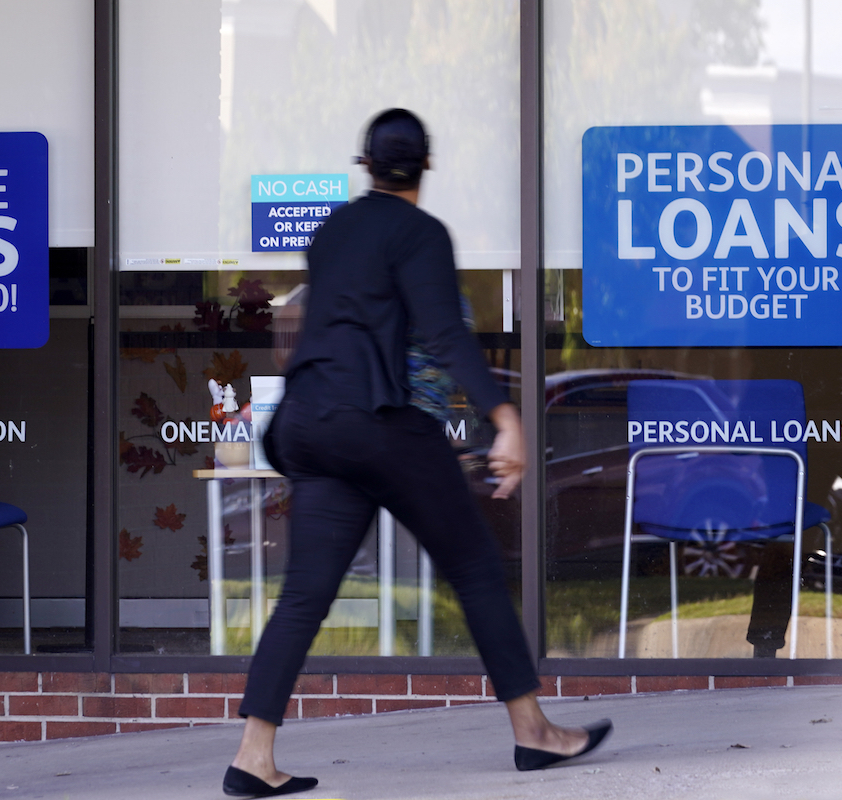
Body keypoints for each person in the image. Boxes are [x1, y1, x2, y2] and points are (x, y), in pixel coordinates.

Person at [222, 109, 611, 798]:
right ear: (424, 167)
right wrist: (505, 418)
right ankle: (534, 733)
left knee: (303, 596)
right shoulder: (421, 234)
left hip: (311, 423)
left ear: (364, 164)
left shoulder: (332, 232)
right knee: (476, 567)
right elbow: (444, 333)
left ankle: (254, 756)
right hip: (380, 424)